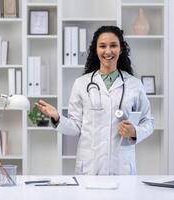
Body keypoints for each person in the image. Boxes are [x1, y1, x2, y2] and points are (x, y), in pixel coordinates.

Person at [36, 26, 154, 175]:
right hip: (90, 166)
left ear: (121, 49)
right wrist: (57, 117)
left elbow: (148, 122)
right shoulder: (81, 84)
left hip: (121, 166)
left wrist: (134, 131)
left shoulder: (134, 85)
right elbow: (75, 127)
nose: (108, 51)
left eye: (113, 45)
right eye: (102, 46)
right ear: (96, 50)